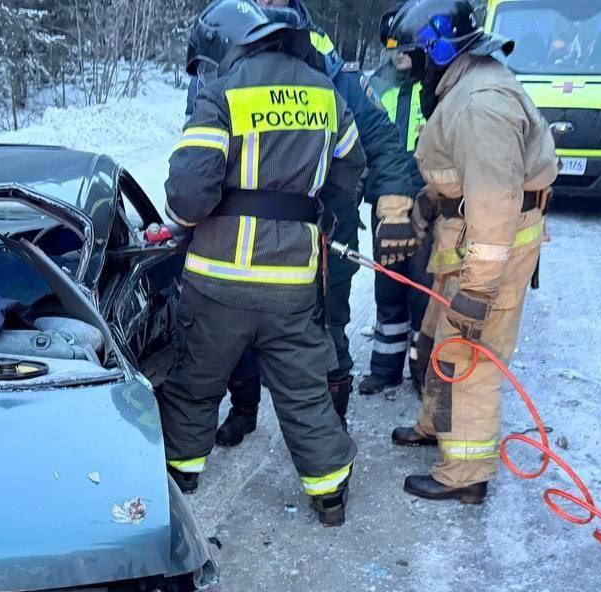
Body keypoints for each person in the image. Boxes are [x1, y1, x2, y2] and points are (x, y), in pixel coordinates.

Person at [161, 0, 365, 526]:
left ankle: (181, 475)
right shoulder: (325, 93)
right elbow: (348, 175)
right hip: (293, 282)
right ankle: (330, 495)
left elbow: (188, 195)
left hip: (218, 282)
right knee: (303, 388)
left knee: (194, 382)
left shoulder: (223, 92)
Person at [183, 0, 418, 446]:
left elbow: (380, 142)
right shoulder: (220, 60)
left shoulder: (325, 63)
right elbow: (201, 141)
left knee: (325, 333)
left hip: (321, 231)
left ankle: (332, 428)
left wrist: (391, 204)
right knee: (234, 329)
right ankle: (244, 409)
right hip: (235, 230)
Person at [382, 0, 557, 505]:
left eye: (411, 56)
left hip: (487, 250)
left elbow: (495, 199)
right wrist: (426, 205)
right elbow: (465, 177)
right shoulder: (467, 87)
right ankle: (437, 425)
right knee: (441, 334)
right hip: (462, 239)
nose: (406, 68)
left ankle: (465, 473)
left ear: (437, 48)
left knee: (469, 354)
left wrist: (479, 288)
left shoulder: (481, 105)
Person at [358, 8, 434, 398]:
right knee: (388, 284)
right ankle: (385, 368)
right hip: (384, 203)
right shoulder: (377, 86)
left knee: (423, 289)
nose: (397, 54)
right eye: (392, 47)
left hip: (425, 204)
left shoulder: (436, 88)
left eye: (405, 46)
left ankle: (423, 372)